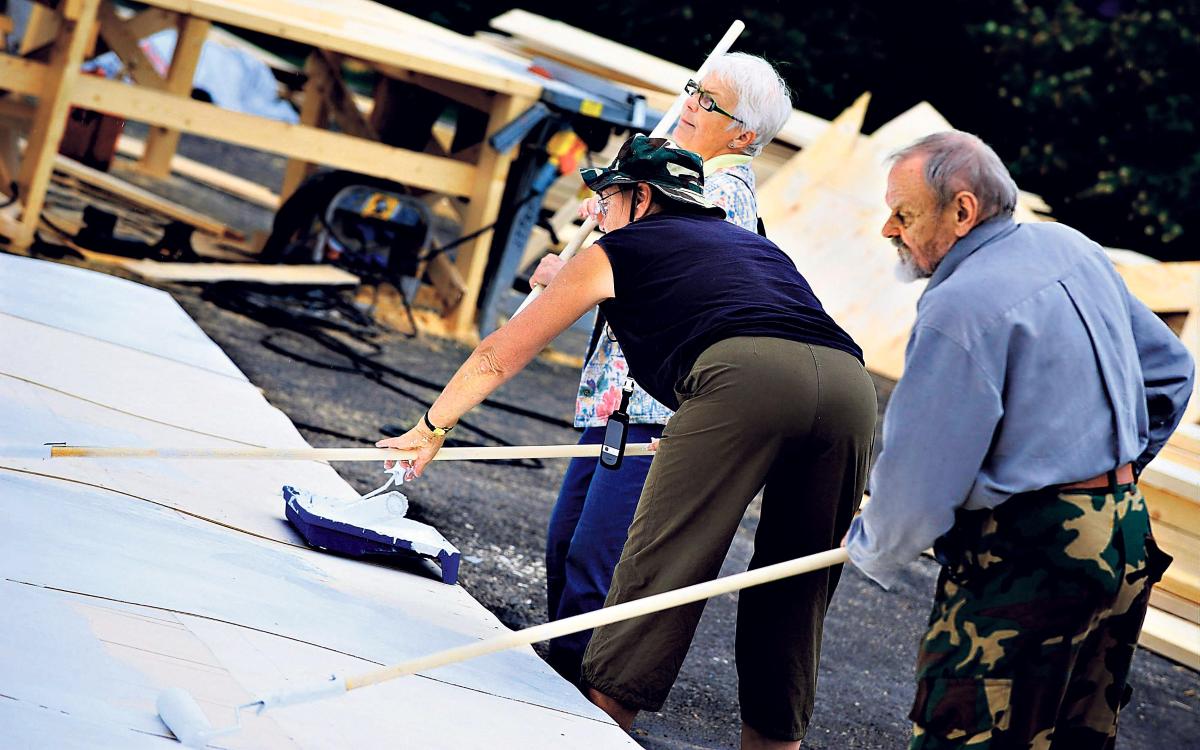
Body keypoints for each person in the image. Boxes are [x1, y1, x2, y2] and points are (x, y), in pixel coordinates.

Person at [379, 135, 876, 749]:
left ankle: (598, 733)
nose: (596, 212)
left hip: (743, 378)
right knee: (795, 585)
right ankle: (773, 744)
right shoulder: (754, 245)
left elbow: (501, 353)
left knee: (662, 564)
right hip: (852, 392)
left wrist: (432, 429)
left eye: (606, 198)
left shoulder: (621, 246)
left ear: (641, 198)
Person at [843, 131, 1194, 749]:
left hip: (1032, 557)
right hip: (1124, 537)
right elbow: (1171, 371)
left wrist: (873, 547)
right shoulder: (1071, 247)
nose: (888, 230)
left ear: (961, 211)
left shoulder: (958, 305)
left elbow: (918, 484)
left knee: (966, 734)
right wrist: (1112, 475)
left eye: (904, 214)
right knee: (1073, 736)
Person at [530, 52, 793, 685]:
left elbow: (653, 277)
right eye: (694, 92)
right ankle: (556, 687)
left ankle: (569, 703)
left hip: (649, 409)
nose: (691, 107)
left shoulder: (718, 192)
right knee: (568, 553)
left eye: (710, 103)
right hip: (619, 403)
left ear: (744, 136)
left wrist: (573, 276)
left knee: (593, 569)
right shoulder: (684, 176)